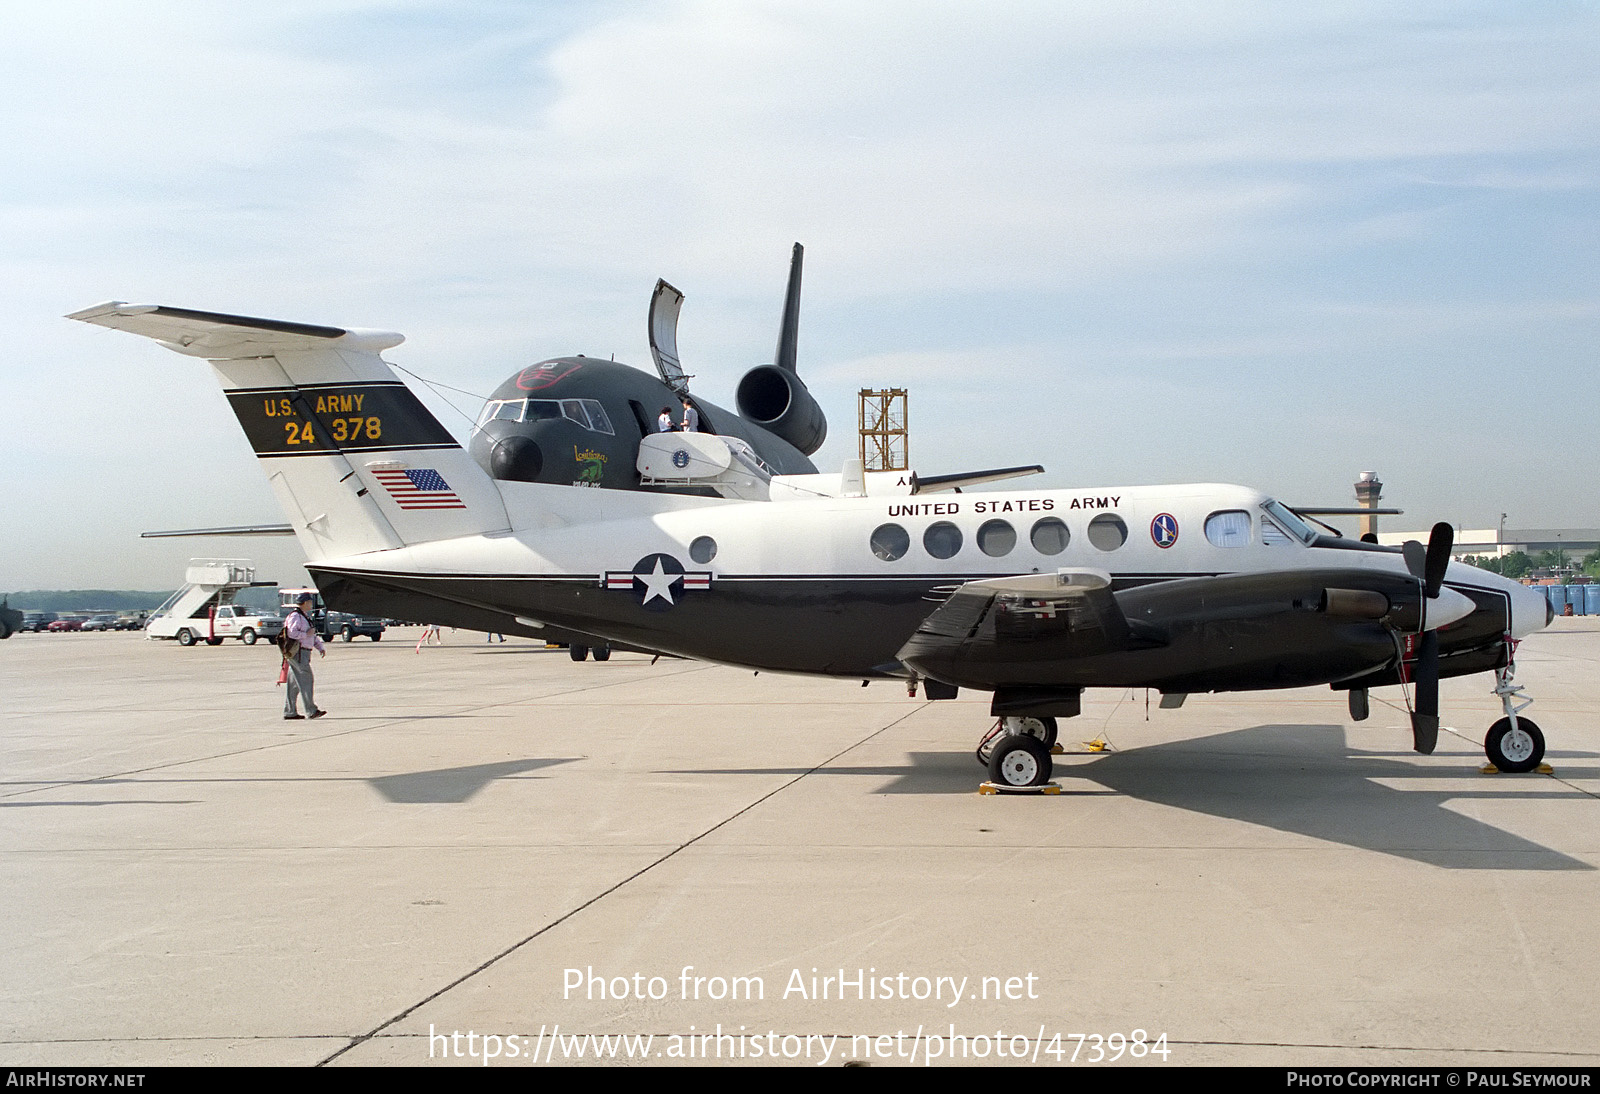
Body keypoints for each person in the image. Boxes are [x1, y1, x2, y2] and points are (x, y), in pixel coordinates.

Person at [281, 594, 326, 720]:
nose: (311, 604)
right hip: (299, 653)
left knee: (294, 684)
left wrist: (319, 647)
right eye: (310, 602)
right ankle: (311, 710)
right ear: (305, 602)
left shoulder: (304, 616)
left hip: (302, 652)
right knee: (306, 680)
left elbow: (312, 635)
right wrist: (306, 634)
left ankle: (290, 712)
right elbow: (292, 633)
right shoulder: (296, 616)